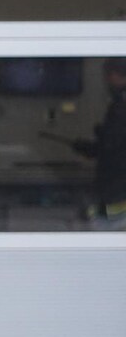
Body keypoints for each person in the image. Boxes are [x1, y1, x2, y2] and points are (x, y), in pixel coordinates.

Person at [72, 58, 126, 229]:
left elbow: (114, 144)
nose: (106, 81)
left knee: (109, 220)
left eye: (108, 76)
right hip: (115, 177)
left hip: (117, 177)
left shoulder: (121, 105)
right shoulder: (118, 103)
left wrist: (92, 148)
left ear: (117, 75)